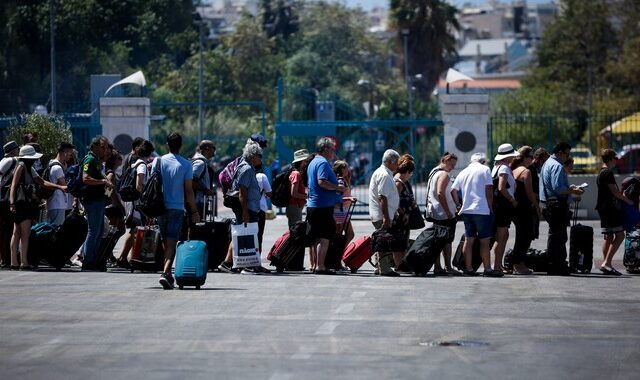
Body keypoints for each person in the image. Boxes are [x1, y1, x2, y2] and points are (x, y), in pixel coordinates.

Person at [9, 145, 66, 270]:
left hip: (22, 203)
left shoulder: (28, 167)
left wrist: (59, 187)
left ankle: (14, 262)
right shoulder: (22, 166)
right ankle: (23, 262)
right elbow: (14, 184)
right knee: (24, 233)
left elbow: (42, 182)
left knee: (17, 232)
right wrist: (12, 202)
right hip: (22, 203)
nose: (35, 160)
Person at [218, 142, 270, 274]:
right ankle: (247, 266)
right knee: (247, 235)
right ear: (253, 156)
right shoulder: (246, 169)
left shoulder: (247, 167)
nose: (261, 158)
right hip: (247, 208)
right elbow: (242, 192)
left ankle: (229, 263)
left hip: (249, 207)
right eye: (260, 155)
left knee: (241, 234)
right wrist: (245, 211)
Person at [156, 133, 200, 289]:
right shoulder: (186, 165)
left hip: (160, 207)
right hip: (176, 208)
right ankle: (165, 272)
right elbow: (189, 191)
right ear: (181, 145)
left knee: (165, 242)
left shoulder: (158, 161)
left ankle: (167, 275)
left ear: (167, 144)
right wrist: (194, 211)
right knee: (171, 242)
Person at [451, 152, 504, 277]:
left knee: (469, 240)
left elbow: (453, 190)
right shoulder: (485, 169)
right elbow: (489, 189)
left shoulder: (463, 172)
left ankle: (468, 269)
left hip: (467, 211)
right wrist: (490, 207)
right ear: (483, 161)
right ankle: (487, 269)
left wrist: (459, 205)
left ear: (471, 161)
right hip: (482, 210)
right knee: (484, 241)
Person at [539, 142, 584, 276]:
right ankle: (557, 265)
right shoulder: (557, 166)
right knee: (558, 236)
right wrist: (573, 190)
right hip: (556, 205)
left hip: (549, 204)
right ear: (559, 153)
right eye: (567, 154)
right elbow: (558, 188)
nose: (567, 157)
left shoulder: (548, 163)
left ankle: (555, 264)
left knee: (556, 235)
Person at [307, 137, 345, 275]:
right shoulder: (323, 162)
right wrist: (338, 188)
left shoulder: (313, 162)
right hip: (322, 206)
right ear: (326, 149)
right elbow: (322, 182)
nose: (334, 152)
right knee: (325, 238)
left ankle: (317, 264)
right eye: (332, 149)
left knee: (317, 237)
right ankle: (321, 266)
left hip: (314, 205)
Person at [116, 140, 155, 268]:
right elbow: (139, 186)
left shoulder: (134, 163)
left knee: (133, 229)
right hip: (137, 203)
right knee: (133, 230)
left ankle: (126, 257)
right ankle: (123, 257)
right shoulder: (142, 165)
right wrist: (145, 197)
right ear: (149, 153)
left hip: (132, 202)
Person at [596, 149, 633, 276]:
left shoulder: (601, 172)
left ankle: (606, 263)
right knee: (620, 235)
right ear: (611, 159)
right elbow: (614, 192)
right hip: (610, 209)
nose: (616, 161)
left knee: (608, 236)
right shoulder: (607, 173)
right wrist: (628, 200)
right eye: (615, 159)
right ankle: (607, 263)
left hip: (603, 208)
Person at [80, 136, 113, 271]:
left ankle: (93, 260)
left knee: (98, 231)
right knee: (93, 231)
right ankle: (88, 261)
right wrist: (104, 182)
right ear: (94, 146)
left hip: (99, 200)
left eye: (106, 147)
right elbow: (85, 178)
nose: (104, 150)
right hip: (92, 200)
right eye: (102, 147)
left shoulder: (97, 161)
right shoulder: (90, 159)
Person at [426, 152, 461, 275]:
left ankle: (438, 267)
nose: (452, 167)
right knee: (447, 241)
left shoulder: (433, 172)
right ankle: (448, 266)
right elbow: (441, 193)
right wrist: (448, 212)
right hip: (444, 214)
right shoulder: (444, 174)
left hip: (435, 212)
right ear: (445, 161)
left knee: (437, 241)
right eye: (451, 164)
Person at [369, 149, 400, 276]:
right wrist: (386, 217)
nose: (397, 165)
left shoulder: (384, 173)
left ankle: (379, 267)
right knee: (384, 242)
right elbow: (383, 197)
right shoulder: (385, 175)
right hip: (381, 215)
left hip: (381, 214)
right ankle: (385, 268)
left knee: (381, 240)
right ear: (390, 162)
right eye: (396, 162)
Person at [509, 146, 540, 275]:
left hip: (516, 209)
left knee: (521, 236)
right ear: (524, 158)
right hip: (525, 208)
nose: (532, 160)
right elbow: (529, 193)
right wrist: (537, 207)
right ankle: (517, 263)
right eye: (530, 157)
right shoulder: (525, 172)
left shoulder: (513, 170)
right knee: (525, 237)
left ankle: (518, 263)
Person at [491, 143, 520, 273]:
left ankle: (498, 264)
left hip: (499, 206)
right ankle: (497, 265)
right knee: (501, 235)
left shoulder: (496, 167)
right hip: (503, 206)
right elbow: (501, 188)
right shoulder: (504, 168)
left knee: (504, 234)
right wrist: (512, 200)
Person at [392, 154, 417, 271]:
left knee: (402, 242)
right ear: (406, 171)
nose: (411, 175)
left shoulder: (402, 181)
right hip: (400, 218)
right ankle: (399, 265)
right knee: (398, 243)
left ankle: (401, 264)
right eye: (410, 173)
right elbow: (394, 200)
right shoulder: (398, 182)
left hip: (404, 217)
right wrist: (403, 213)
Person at [0, 141, 21, 268]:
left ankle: (6, 258)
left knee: (7, 229)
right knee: (6, 229)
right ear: (14, 151)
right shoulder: (9, 160)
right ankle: (5, 259)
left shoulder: (8, 160)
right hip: (3, 199)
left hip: (4, 199)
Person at [46, 142, 75, 226]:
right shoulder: (57, 168)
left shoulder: (53, 164)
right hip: (57, 204)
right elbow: (65, 186)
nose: (71, 156)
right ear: (64, 152)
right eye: (70, 153)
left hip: (57, 204)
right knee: (56, 230)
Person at [332, 160, 355, 245]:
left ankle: (338, 253)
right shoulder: (340, 181)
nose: (348, 170)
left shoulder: (343, 180)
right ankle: (338, 253)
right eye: (346, 168)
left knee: (341, 234)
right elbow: (337, 198)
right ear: (340, 169)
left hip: (343, 210)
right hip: (340, 210)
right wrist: (349, 198)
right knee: (345, 234)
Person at [286, 149, 310, 228]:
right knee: (295, 232)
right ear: (301, 162)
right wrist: (307, 196)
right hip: (294, 207)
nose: (307, 163)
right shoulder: (296, 174)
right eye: (305, 161)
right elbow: (294, 193)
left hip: (295, 207)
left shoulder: (296, 173)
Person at [192, 140, 216, 215]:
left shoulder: (202, 162)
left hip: (200, 201)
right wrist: (206, 190)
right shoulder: (200, 163)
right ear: (207, 148)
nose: (214, 150)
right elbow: (191, 180)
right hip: (198, 202)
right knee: (198, 225)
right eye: (213, 148)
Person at [256, 170, 272, 253]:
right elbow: (269, 193)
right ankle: (257, 258)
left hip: (246, 208)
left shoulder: (244, 173)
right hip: (260, 209)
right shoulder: (261, 176)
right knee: (259, 235)